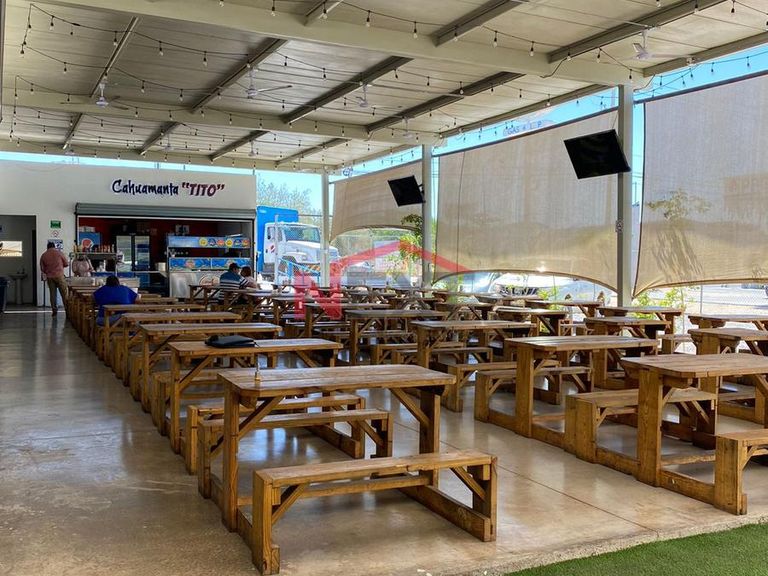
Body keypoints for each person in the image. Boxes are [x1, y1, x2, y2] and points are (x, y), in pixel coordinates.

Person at [40, 241, 69, 316]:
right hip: (59, 276)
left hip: (50, 277)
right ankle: (67, 310)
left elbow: (42, 269)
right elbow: (66, 264)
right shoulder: (59, 253)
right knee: (64, 293)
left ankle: (54, 310)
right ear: (54, 246)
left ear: (47, 247)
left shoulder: (44, 255)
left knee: (52, 294)